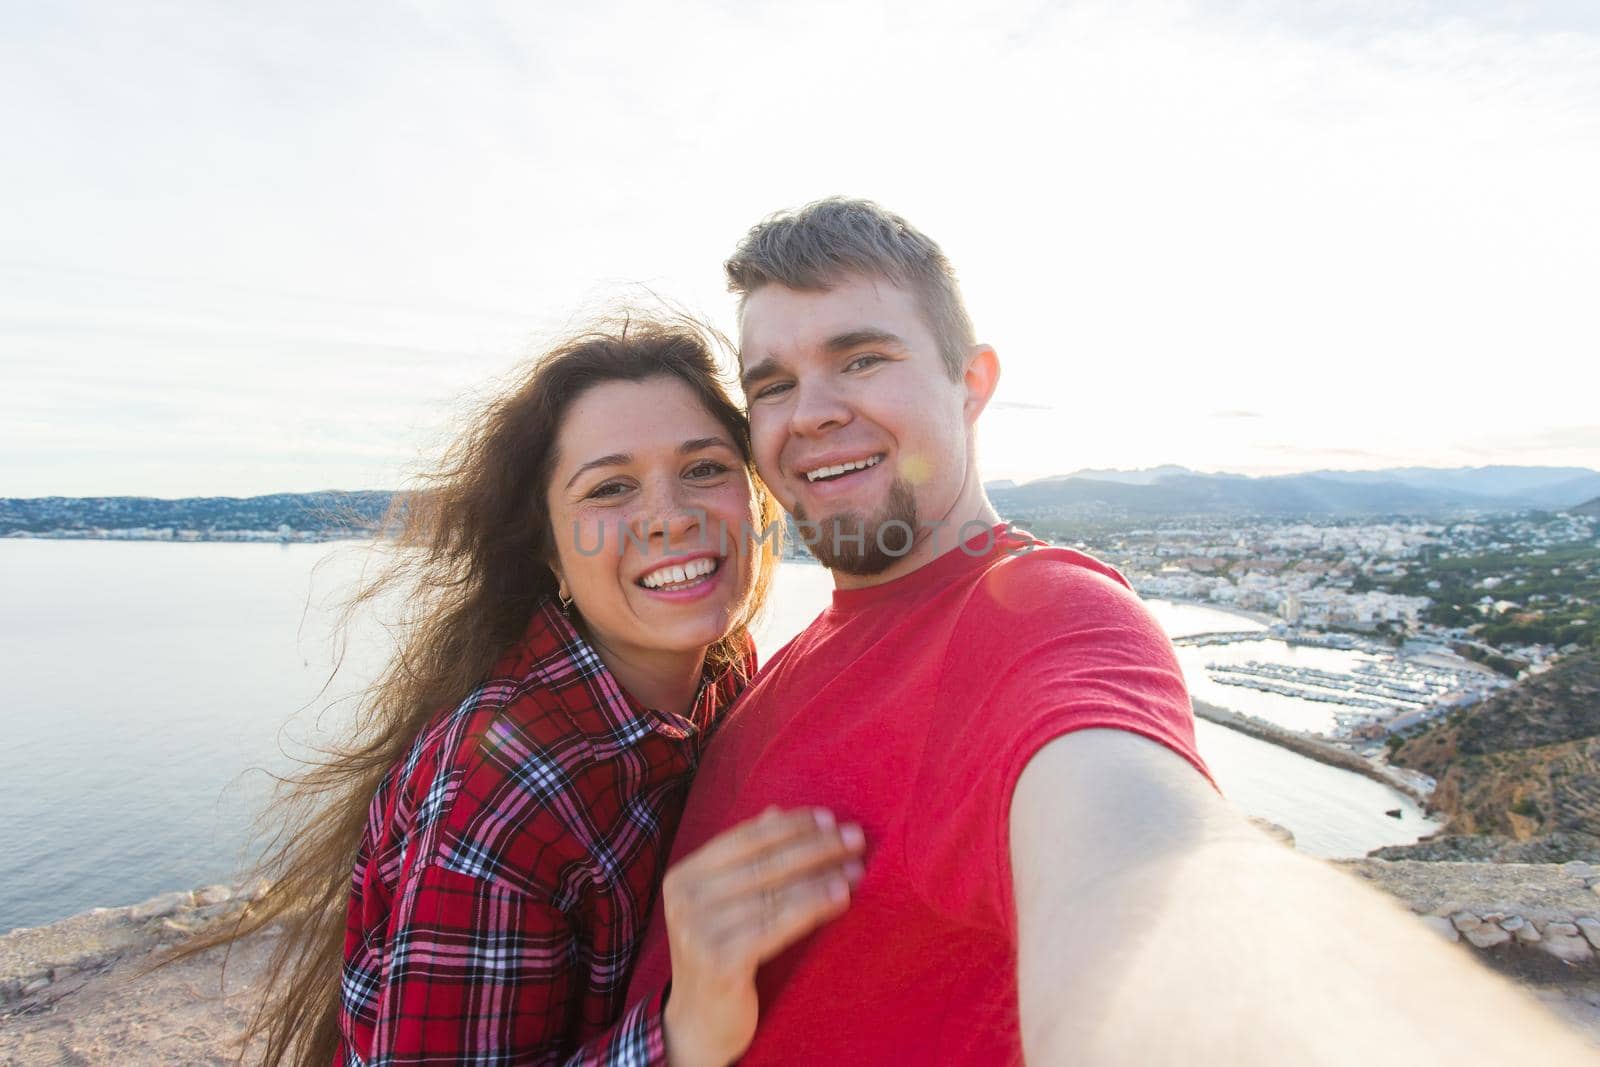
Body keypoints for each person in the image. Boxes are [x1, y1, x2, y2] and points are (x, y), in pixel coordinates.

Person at [624, 200, 1595, 1065]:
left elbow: (1155, 884)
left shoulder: (1042, 614)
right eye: (773, 383)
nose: (813, 412)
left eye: (861, 357)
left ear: (972, 380)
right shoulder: (790, 653)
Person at [197, 319, 867, 1066]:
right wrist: (687, 1032)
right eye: (610, 487)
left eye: (706, 468)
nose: (672, 515)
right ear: (549, 548)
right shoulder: (503, 788)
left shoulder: (723, 671)